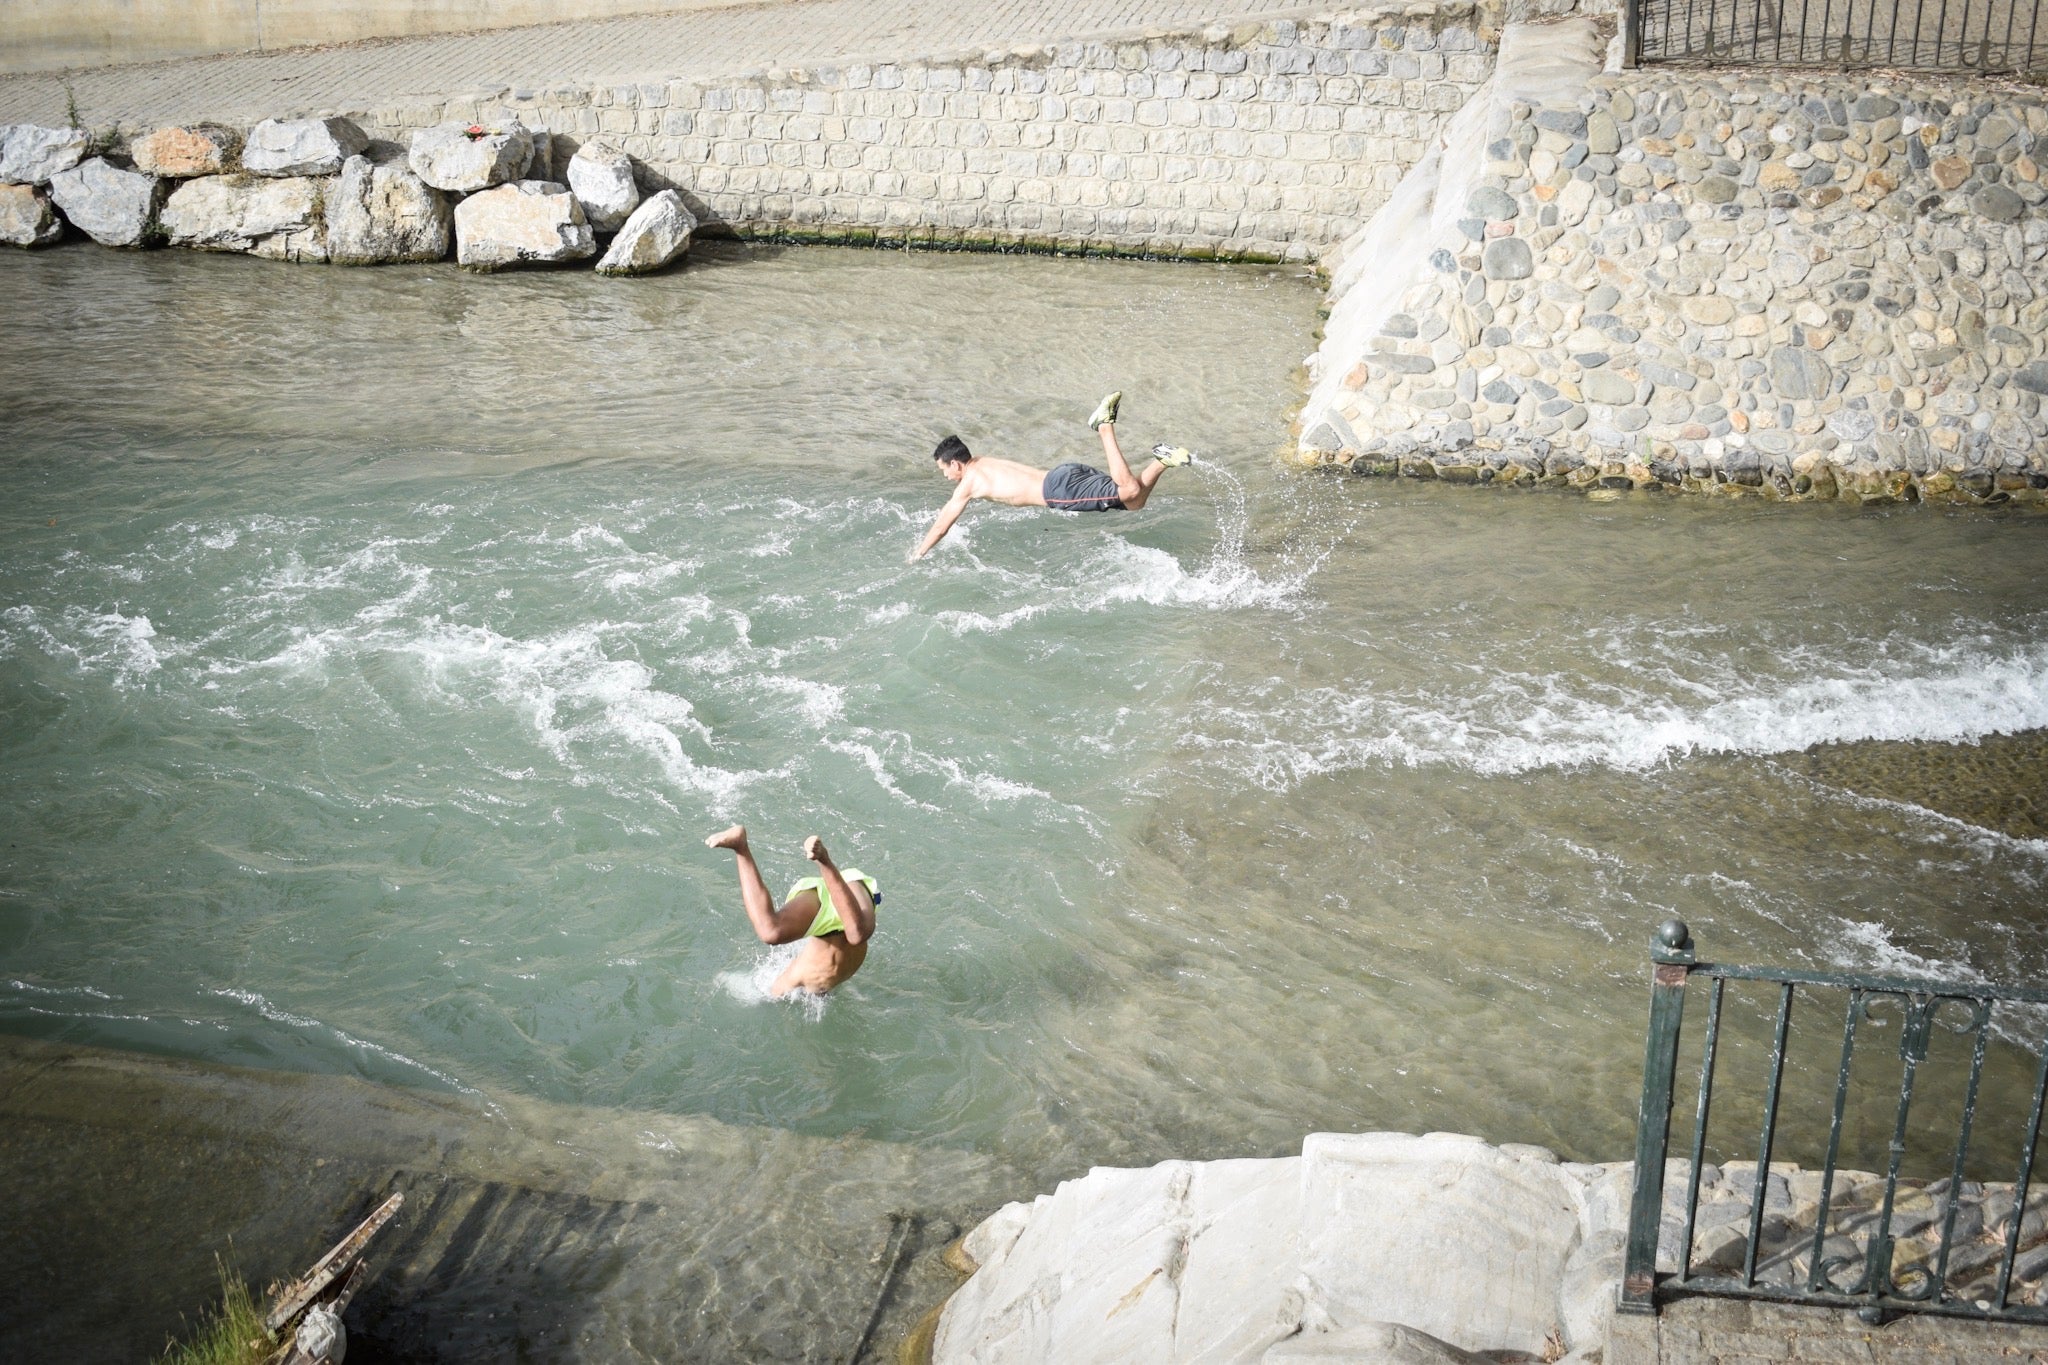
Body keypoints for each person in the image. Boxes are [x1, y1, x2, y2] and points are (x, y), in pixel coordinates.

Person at [910, 392, 1194, 561]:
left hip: (1059, 492)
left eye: (944, 470)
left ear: (956, 464)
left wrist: (918, 554)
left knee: (1129, 490)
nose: (946, 477)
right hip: (1063, 474)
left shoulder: (969, 482)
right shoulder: (983, 462)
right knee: (1135, 502)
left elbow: (941, 527)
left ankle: (1103, 426)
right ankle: (1161, 461)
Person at [704, 825, 878, 997]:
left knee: (772, 932)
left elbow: (777, 991)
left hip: (847, 889)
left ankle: (821, 859)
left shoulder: (791, 981)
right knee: (856, 934)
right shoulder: (807, 974)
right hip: (842, 905)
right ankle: (742, 847)